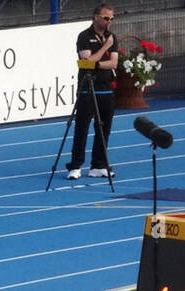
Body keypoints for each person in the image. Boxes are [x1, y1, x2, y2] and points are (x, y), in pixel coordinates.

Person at [67, 5, 120, 181]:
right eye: (106, 18)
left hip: (106, 88)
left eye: (111, 19)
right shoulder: (85, 36)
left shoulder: (112, 37)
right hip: (88, 89)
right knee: (82, 127)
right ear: (96, 16)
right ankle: (75, 165)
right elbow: (86, 62)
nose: (109, 22)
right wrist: (105, 48)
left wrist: (96, 63)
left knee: (104, 129)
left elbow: (113, 63)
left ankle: (98, 164)